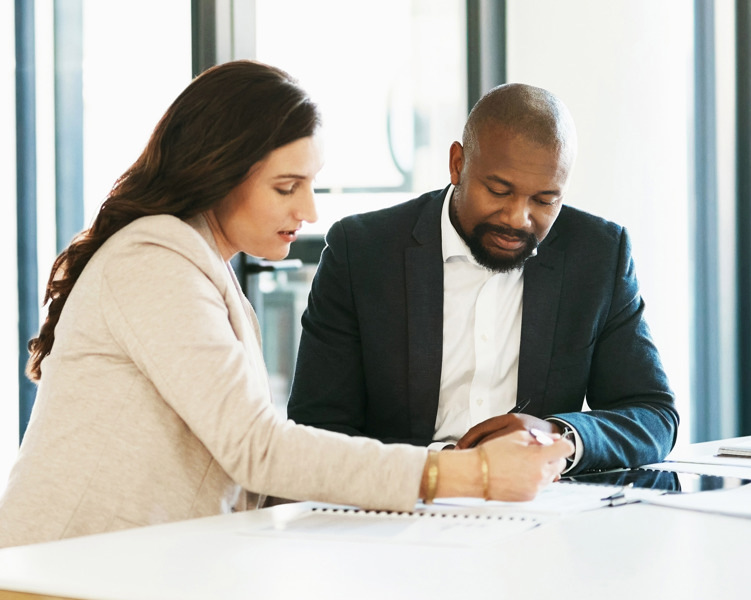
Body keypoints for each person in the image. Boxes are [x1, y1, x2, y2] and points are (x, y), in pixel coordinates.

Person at [0, 61, 574, 549]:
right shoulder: (154, 263)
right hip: (64, 572)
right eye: (286, 187)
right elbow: (258, 449)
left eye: (311, 184)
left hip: (131, 566)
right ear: (221, 173)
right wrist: (468, 475)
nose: (309, 211)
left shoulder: (199, 270)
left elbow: (256, 469)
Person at [287, 83, 679, 474]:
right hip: (400, 506)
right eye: (498, 190)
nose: (517, 218)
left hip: (541, 515)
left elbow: (653, 416)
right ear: (458, 163)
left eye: (544, 200)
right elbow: (316, 427)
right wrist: (443, 472)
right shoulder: (363, 251)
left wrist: (557, 436)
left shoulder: (597, 254)